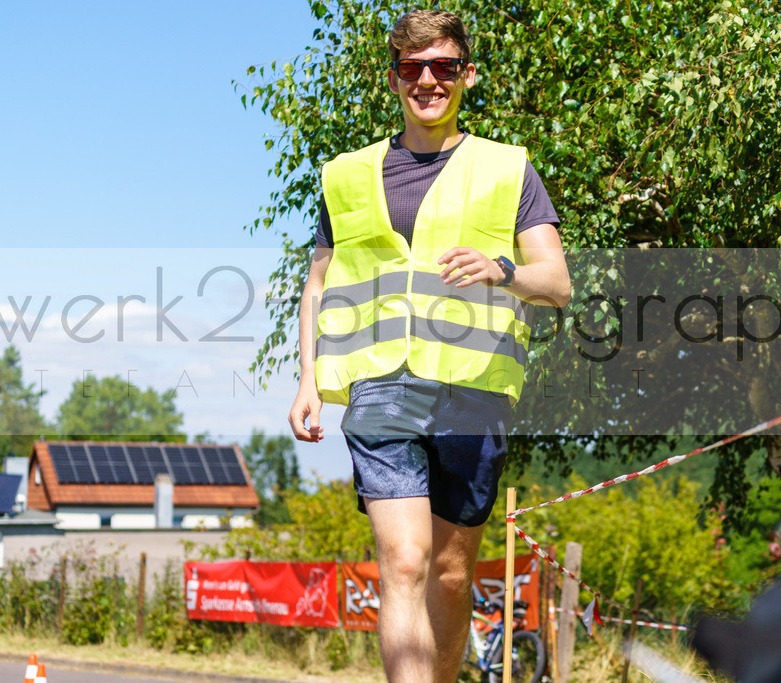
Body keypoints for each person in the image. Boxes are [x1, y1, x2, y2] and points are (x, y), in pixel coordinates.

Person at [287, 10, 570, 682]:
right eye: (413, 69)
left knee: (448, 573)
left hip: (473, 392)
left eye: (443, 67)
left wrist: (503, 270)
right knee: (406, 562)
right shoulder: (348, 175)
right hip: (380, 385)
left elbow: (555, 282)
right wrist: (307, 380)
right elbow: (318, 283)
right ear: (394, 80)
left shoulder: (509, 169)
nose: (428, 81)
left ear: (466, 75)